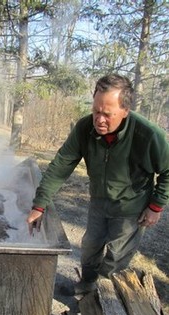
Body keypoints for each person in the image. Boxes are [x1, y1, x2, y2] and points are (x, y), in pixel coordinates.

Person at [26, 74, 169, 296]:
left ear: (125, 111)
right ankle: (86, 285)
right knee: (90, 247)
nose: (99, 119)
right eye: (96, 111)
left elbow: (168, 171)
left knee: (117, 256)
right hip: (99, 201)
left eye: (107, 114)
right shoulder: (85, 128)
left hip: (131, 208)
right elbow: (61, 165)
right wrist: (39, 204)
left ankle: (100, 298)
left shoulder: (148, 135)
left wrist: (155, 206)